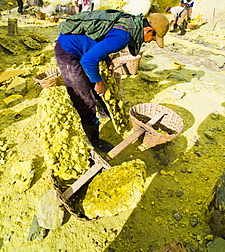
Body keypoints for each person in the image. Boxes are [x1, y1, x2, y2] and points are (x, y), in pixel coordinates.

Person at [54, 9, 169, 152]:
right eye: (153, 38)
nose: (150, 41)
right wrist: (99, 83)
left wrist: (106, 58)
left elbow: (100, 38)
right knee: (85, 99)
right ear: (148, 30)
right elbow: (88, 60)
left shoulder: (130, 23)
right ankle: (93, 140)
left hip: (81, 48)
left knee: (93, 86)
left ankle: (103, 112)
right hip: (68, 51)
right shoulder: (123, 38)